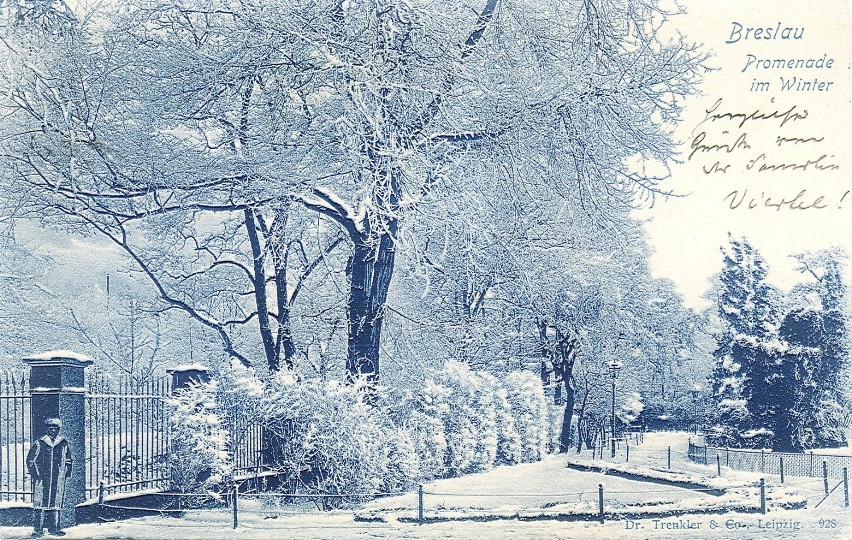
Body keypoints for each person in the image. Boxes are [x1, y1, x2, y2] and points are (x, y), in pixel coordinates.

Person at [26, 418, 72, 538]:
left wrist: (65, 472)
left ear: (58, 430)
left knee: (56, 503)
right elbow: (30, 460)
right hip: (42, 479)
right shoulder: (40, 443)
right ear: (47, 429)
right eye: (50, 429)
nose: (53, 431)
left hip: (57, 479)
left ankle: (54, 529)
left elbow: (68, 460)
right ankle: (37, 530)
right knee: (40, 503)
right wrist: (36, 474)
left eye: (55, 429)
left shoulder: (63, 443)